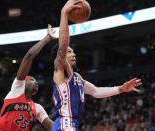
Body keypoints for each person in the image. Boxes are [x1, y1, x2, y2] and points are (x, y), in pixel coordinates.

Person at [50, 0, 142, 130]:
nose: (74, 54)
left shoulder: (77, 77)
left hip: (71, 125)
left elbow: (96, 91)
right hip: (65, 123)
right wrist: (64, 13)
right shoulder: (59, 70)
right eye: (70, 52)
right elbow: (63, 46)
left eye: (73, 51)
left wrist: (121, 89)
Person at [0, 24, 56, 131]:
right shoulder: (17, 89)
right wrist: (48, 38)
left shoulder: (37, 108)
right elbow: (29, 56)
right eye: (32, 79)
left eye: (36, 81)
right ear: (24, 83)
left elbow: (54, 127)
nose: (36, 82)